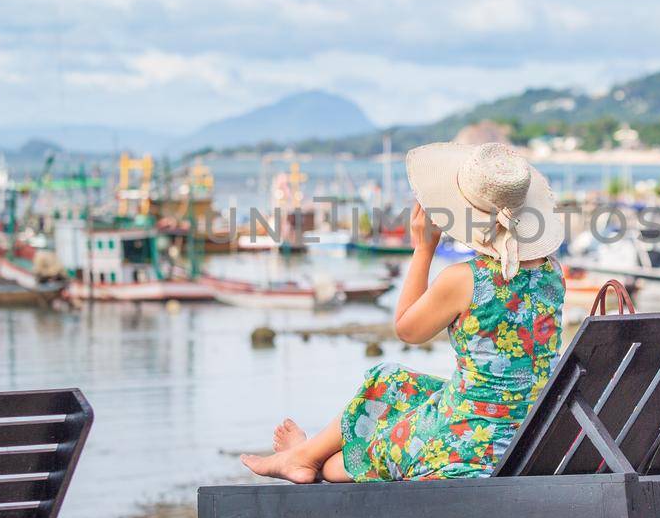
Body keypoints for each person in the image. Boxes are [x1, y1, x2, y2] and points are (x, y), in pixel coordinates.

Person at [241, 141, 566, 484]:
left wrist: (423, 249)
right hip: (534, 428)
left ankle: (304, 459)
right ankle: (304, 454)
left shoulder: (464, 279)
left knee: (364, 454)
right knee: (390, 382)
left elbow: (406, 330)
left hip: (475, 444)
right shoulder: (552, 274)